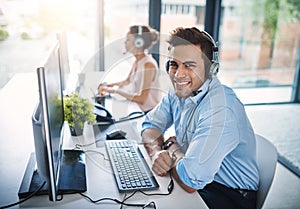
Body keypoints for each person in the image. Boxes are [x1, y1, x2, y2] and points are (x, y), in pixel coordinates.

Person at [141, 27, 259, 209]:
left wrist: (173, 149)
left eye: (189, 65)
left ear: (211, 70)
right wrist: (157, 152)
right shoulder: (178, 92)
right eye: (174, 64)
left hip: (229, 194)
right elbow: (150, 125)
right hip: (197, 178)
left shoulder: (221, 108)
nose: (178, 74)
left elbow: (190, 179)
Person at [99, 25, 162, 113]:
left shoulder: (148, 65)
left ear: (138, 42)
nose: (125, 43)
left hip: (149, 113)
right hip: (140, 110)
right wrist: (109, 86)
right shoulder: (137, 61)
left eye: (128, 40)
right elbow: (127, 81)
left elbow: (142, 99)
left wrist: (115, 91)